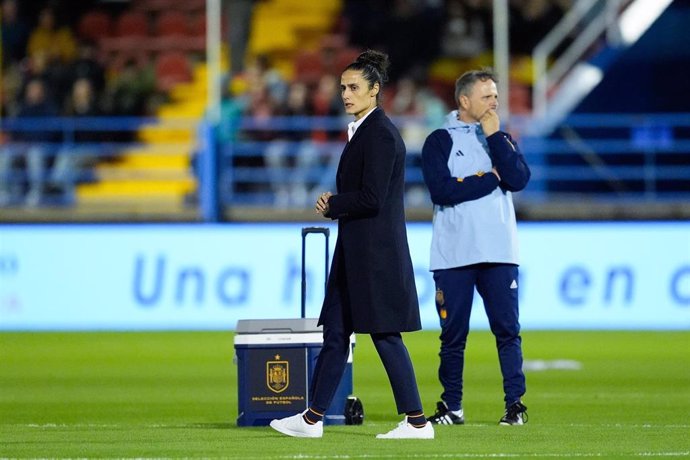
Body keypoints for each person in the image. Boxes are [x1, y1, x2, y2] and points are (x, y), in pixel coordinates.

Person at [269, 50, 433, 440]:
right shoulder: (366, 130)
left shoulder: (379, 134)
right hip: (357, 251)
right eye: (343, 87)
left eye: (354, 87)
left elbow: (372, 197)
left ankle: (417, 421)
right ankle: (312, 419)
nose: (345, 94)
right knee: (336, 334)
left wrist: (334, 204)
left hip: (375, 254)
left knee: (385, 334)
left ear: (375, 90)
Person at [420, 68, 531, 426]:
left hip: (499, 251)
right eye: (487, 96)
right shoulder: (439, 140)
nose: (495, 102)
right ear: (465, 101)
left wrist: (495, 137)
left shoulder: (501, 138)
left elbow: (517, 179)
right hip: (454, 254)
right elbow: (443, 191)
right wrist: (490, 179)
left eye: (496, 95)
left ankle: (515, 405)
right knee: (453, 337)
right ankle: (452, 407)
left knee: (507, 331)